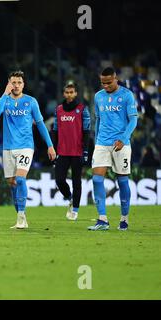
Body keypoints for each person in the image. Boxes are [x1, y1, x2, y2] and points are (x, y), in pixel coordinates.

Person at [0, 71, 56, 229]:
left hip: (26, 146)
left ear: (23, 84)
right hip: (8, 147)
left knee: (20, 179)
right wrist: (4, 93)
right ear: (9, 83)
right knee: (12, 183)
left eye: (19, 82)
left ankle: (21, 216)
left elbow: (40, 124)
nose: (16, 85)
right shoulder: (4, 101)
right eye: (13, 82)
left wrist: (50, 145)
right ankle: (21, 216)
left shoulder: (30, 101)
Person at [89, 67, 138, 231]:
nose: (105, 86)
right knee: (96, 179)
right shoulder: (98, 96)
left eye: (109, 83)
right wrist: (96, 141)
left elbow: (133, 121)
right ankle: (102, 220)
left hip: (121, 144)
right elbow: (98, 120)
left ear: (115, 79)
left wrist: (124, 139)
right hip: (102, 143)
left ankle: (124, 219)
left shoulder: (126, 95)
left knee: (122, 181)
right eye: (103, 83)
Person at [52, 83, 91, 221]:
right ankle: (70, 197)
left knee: (77, 182)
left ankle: (75, 210)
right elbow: (55, 130)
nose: (69, 94)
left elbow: (86, 131)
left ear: (75, 94)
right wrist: (53, 148)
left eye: (71, 92)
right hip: (62, 151)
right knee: (59, 180)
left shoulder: (82, 109)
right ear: (64, 94)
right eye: (67, 92)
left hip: (77, 152)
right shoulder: (58, 110)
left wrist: (85, 151)